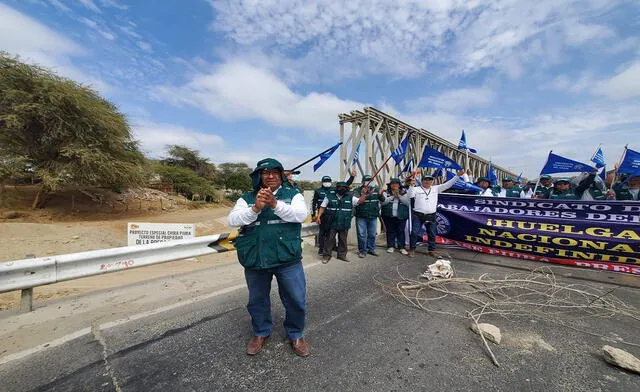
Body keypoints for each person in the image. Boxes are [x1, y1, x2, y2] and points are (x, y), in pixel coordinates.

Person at [227, 158, 310, 357]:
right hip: (256, 258)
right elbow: (232, 220)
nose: (270, 176)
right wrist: (255, 208)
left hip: (287, 258)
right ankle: (260, 332)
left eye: (274, 172)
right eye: (265, 172)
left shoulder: (293, 194)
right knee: (257, 300)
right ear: (259, 176)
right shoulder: (246, 198)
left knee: (296, 299)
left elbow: (300, 215)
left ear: (281, 175)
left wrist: (274, 203)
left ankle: (296, 334)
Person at [408, 169, 465, 257]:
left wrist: (457, 176)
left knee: (432, 233)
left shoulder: (436, 188)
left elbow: (448, 184)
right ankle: (412, 249)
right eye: (426, 180)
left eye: (430, 180)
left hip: (431, 215)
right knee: (414, 232)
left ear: (432, 181)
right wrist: (411, 186)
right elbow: (410, 196)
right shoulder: (416, 189)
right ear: (422, 181)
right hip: (418, 215)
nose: (428, 181)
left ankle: (431, 250)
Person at [315, 181, 364, 263]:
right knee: (329, 240)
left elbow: (359, 201)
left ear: (347, 189)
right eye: (340, 188)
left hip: (344, 222)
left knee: (343, 240)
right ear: (336, 188)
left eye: (344, 188)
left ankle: (342, 255)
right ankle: (326, 256)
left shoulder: (351, 197)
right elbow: (322, 207)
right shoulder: (329, 196)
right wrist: (318, 217)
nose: (342, 189)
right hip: (332, 222)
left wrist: (363, 194)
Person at [311, 169, 357, 255]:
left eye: (328, 181)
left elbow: (345, 185)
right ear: (322, 182)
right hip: (322, 215)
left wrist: (352, 177)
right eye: (325, 181)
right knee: (322, 232)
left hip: (332, 214)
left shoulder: (334, 190)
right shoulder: (318, 191)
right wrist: (314, 215)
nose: (327, 182)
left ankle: (333, 247)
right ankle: (321, 249)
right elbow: (313, 203)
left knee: (331, 233)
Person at [354, 175, 382, 258]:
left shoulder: (376, 190)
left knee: (372, 234)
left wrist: (381, 194)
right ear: (363, 181)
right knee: (362, 234)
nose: (369, 181)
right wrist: (364, 193)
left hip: (373, 215)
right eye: (367, 180)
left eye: (370, 180)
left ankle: (371, 249)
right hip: (361, 215)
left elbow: (382, 200)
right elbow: (357, 202)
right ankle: (362, 250)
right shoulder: (357, 190)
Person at [381, 178, 410, 254]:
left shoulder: (405, 192)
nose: (395, 185)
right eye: (393, 183)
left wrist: (399, 196)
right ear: (390, 185)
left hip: (401, 216)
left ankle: (402, 247)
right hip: (388, 215)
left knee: (401, 231)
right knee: (390, 231)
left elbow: (408, 203)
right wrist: (392, 197)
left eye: (396, 183)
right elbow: (382, 203)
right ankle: (391, 246)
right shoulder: (386, 192)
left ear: (399, 185)